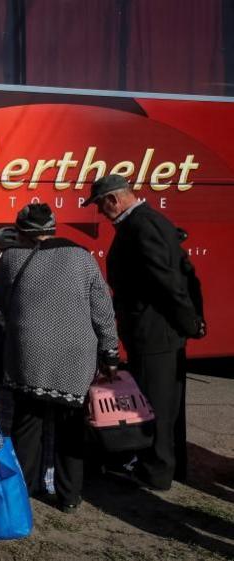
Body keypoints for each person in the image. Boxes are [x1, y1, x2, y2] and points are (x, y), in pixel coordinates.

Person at [0, 203, 119, 513]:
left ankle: (23, 487)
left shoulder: (12, 257)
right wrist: (110, 352)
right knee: (71, 426)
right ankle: (69, 496)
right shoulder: (82, 257)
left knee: (27, 423)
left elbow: (3, 301)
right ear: (53, 227)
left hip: (29, 353)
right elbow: (102, 310)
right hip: (75, 355)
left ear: (21, 230)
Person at [83, 174, 206, 491]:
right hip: (159, 329)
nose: (99, 212)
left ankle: (157, 470)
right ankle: (169, 465)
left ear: (113, 199)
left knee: (157, 403)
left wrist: (189, 321)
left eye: (100, 205)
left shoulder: (141, 225)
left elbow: (168, 281)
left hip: (155, 330)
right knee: (166, 402)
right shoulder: (147, 221)